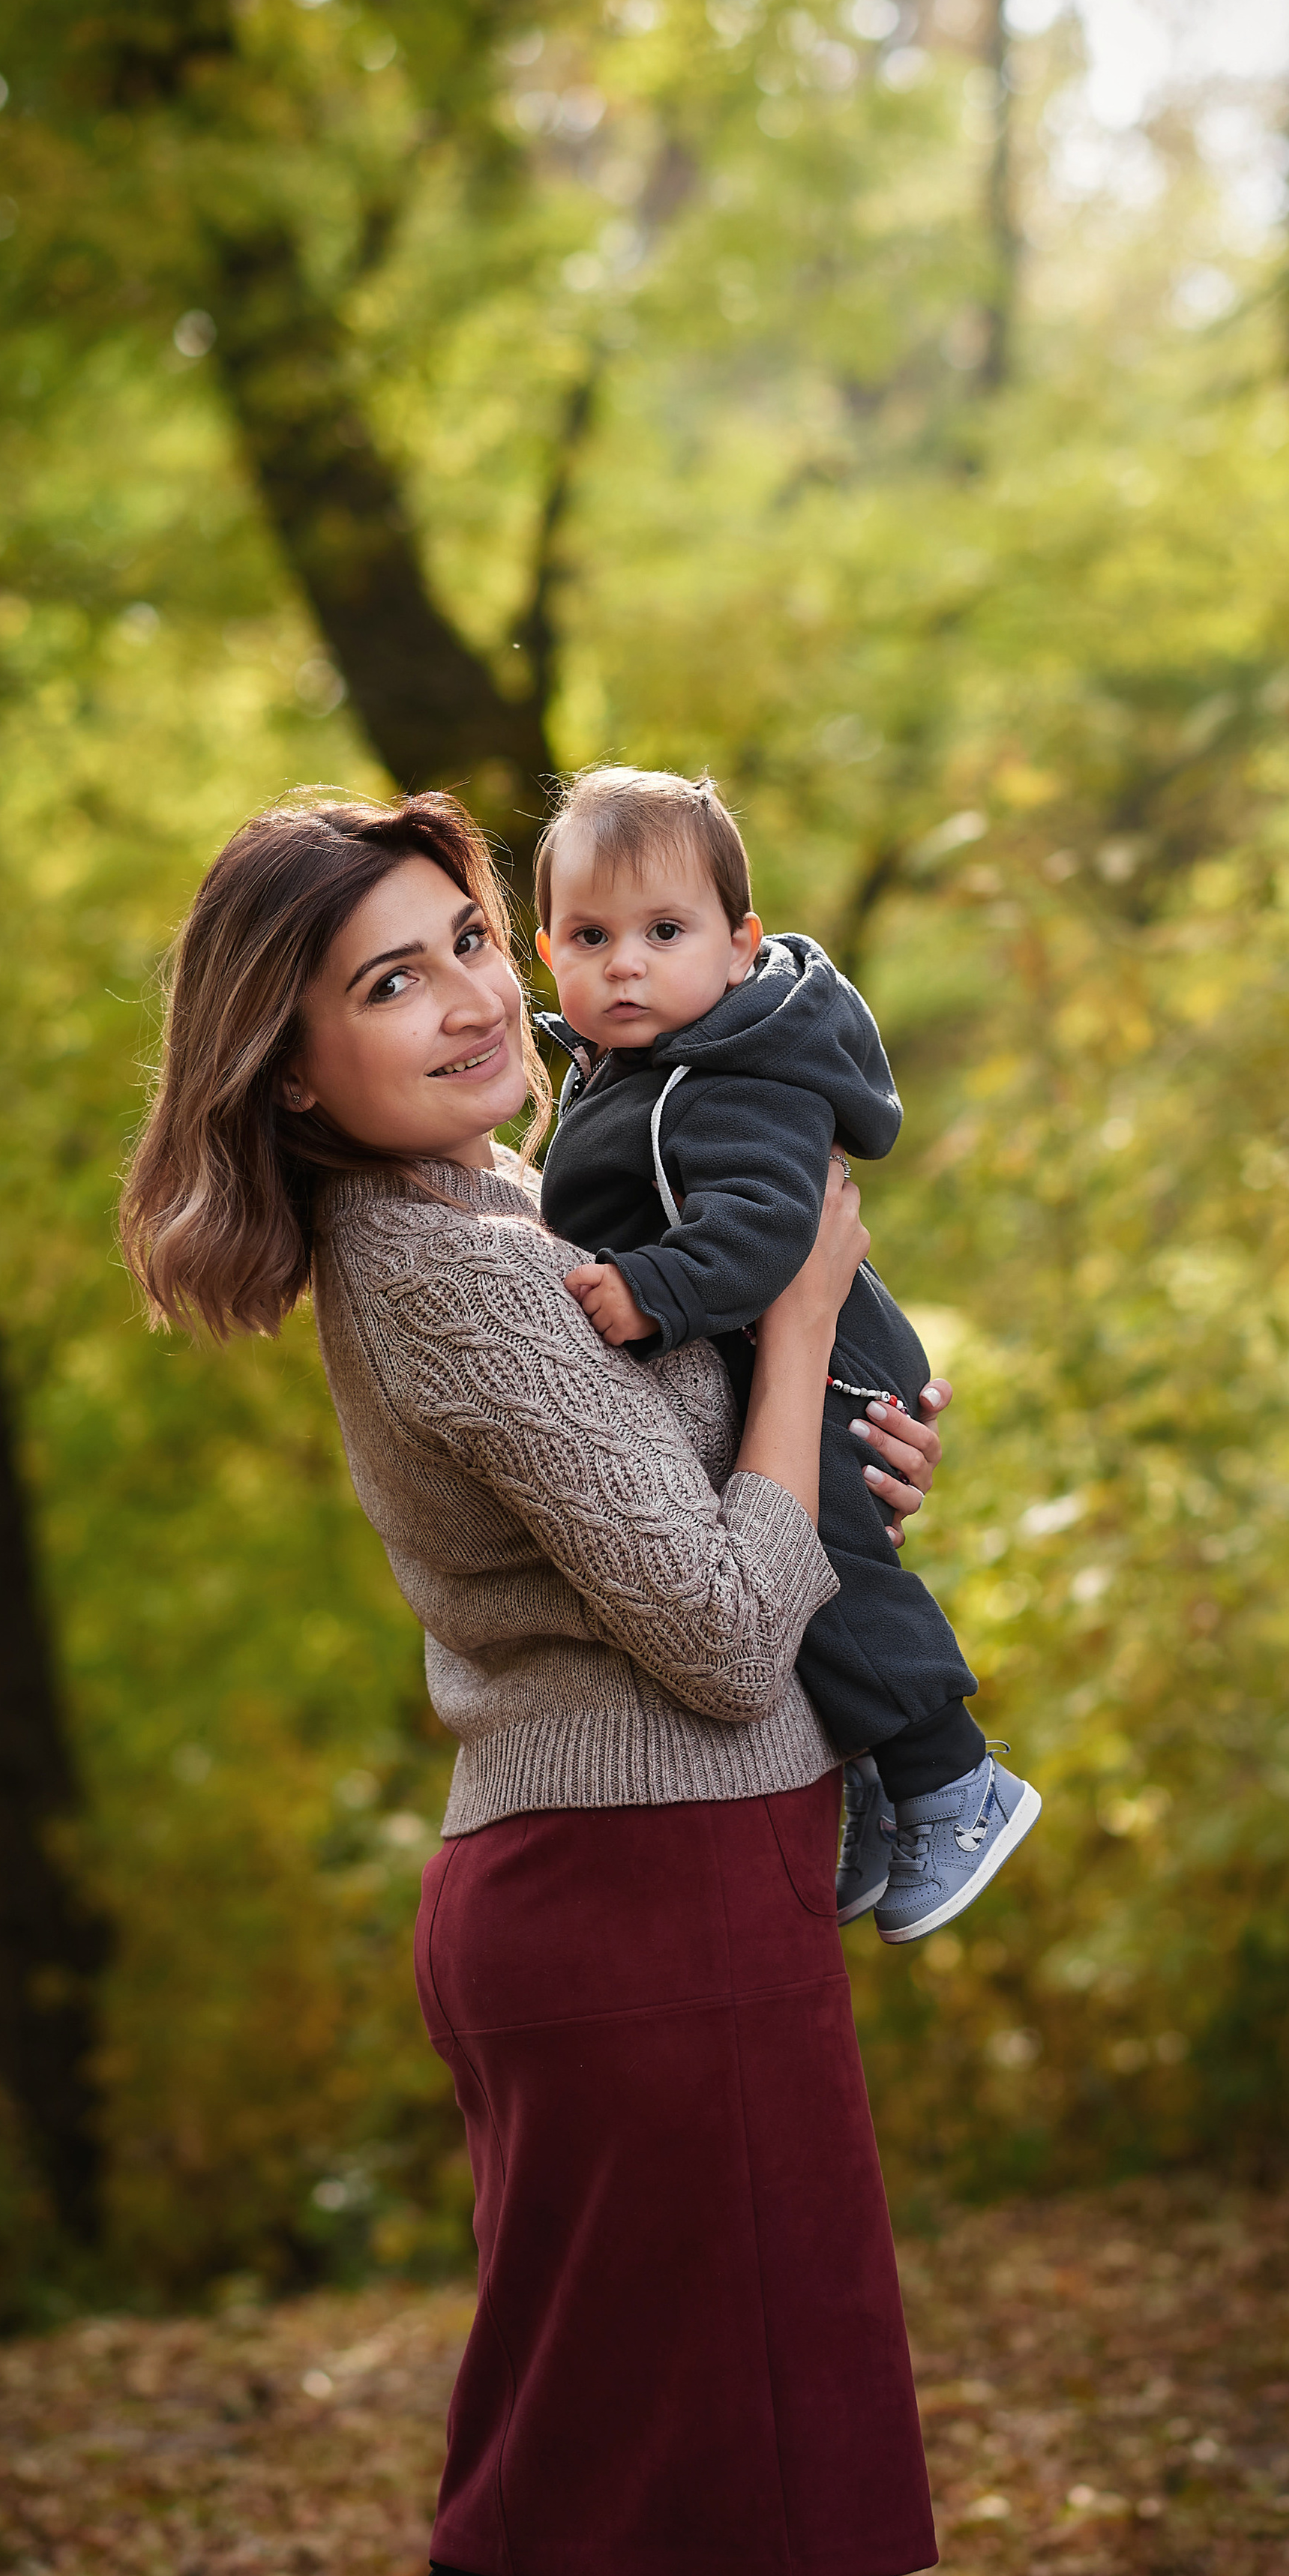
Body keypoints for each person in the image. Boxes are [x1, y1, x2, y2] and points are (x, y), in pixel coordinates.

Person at [119, 790, 945, 2576]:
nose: (476, 998)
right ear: (294, 1068)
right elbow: (721, 1635)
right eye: (389, 983)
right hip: (645, 1898)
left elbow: (711, 1527)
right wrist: (797, 1327)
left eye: (473, 942)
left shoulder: (502, 1206)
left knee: (621, 2513)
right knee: (655, 2539)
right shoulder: (464, 1271)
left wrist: (846, 1459)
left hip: (657, 1887)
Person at [532, 766, 1040, 1945]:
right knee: (777, 1554)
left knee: (820, 1564)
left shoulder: (731, 1073)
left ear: (740, 945)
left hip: (828, 1350)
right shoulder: (623, 1071)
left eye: (665, 932)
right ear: (547, 950)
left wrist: (652, 1291)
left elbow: (771, 1227)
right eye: (592, 937)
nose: (626, 964)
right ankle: (871, 1783)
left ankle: (950, 1778)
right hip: (771, 1348)